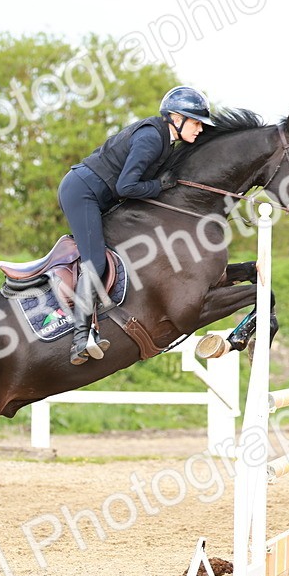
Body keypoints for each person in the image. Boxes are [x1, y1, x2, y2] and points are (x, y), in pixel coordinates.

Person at [56, 85, 215, 366]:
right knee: (95, 260)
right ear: (176, 118)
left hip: (99, 193)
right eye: (196, 122)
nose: (200, 129)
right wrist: (158, 186)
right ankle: (80, 337)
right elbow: (127, 185)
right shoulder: (152, 138)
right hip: (82, 192)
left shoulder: (167, 141)